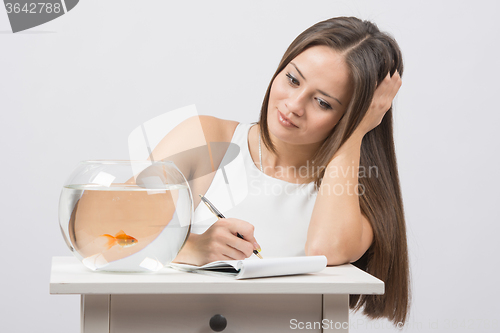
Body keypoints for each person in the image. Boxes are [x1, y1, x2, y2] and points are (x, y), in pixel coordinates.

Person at [153, 16, 409, 325]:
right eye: (292, 79)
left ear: (351, 116)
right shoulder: (204, 138)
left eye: (323, 102)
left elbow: (324, 248)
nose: (294, 105)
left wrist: (356, 133)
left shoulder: (353, 195)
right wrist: (191, 248)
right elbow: (104, 229)